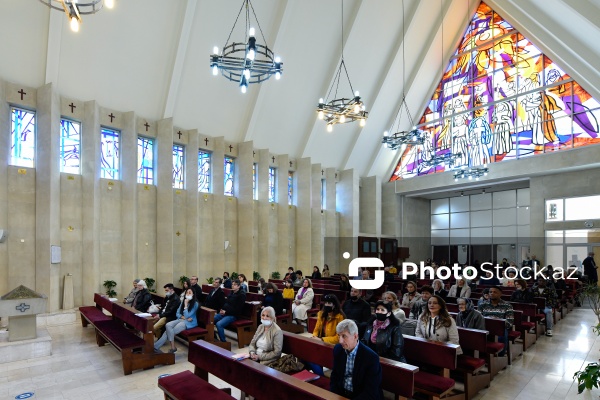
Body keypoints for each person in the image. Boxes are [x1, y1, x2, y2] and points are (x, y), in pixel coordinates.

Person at [330, 320, 383, 400]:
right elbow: (335, 377)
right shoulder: (338, 349)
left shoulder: (371, 358)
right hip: (343, 394)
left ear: (355, 336)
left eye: (344, 336)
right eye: (338, 336)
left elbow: (370, 391)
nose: (340, 341)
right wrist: (335, 396)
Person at [307, 294, 345, 376]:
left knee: (315, 359)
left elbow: (338, 338)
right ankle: (317, 376)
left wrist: (322, 340)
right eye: (326, 303)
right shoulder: (321, 314)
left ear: (334, 305)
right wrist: (314, 337)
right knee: (307, 356)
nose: (327, 305)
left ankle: (321, 377)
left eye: (329, 303)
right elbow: (316, 329)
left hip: (333, 346)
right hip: (321, 343)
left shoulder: (340, 317)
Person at [154, 288, 198, 353]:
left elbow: (188, 315)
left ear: (193, 294)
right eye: (186, 293)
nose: (187, 294)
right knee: (168, 325)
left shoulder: (195, 304)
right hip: (181, 319)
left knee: (169, 331)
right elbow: (177, 313)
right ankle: (172, 347)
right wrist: (182, 316)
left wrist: (186, 305)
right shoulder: (183, 302)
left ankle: (156, 347)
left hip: (189, 323)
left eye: (189, 293)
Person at [479, 286, 514, 355]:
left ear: (500, 294)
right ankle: (481, 353)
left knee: (502, 334)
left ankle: (500, 354)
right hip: (485, 326)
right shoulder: (482, 304)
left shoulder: (507, 305)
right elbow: (479, 318)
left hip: (500, 328)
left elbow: (510, 322)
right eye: (490, 292)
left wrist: (497, 323)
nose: (492, 293)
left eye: (495, 292)